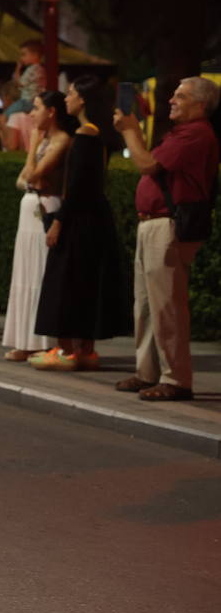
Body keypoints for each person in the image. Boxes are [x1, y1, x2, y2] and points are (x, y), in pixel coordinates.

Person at [113, 76, 221, 400]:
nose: (172, 100)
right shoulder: (183, 133)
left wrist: (130, 129)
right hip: (154, 224)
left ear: (200, 105)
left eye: (181, 96)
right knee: (146, 305)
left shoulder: (195, 134)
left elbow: (146, 164)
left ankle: (176, 379)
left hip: (168, 226)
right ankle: (148, 372)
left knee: (166, 306)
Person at [31, 76, 132, 371]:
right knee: (87, 280)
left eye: (72, 93)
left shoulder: (85, 137)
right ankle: (86, 349)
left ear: (83, 100)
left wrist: (59, 221)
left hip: (79, 218)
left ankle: (66, 350)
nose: (66, 99)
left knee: (65, 280)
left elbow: (76, 186)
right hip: (95, 216)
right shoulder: (98, 135)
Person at [2, 90, 72, 361]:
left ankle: (45, 340)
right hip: (30, 206)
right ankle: (25, 339)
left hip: (46, 208)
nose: (31, 114)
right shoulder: (46, 141)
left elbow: (32, 174)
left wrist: (32, 145)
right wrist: (32, 177)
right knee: (25, 274)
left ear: (51, 112)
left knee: (41, 274)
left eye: (37, 108)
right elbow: (23, 180)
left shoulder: (61, 140)